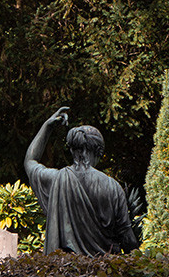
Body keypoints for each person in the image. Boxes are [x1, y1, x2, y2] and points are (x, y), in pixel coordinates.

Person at [24, 106, 138, 255]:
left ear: (72, 150)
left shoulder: (57, 179)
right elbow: (127, 238)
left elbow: (30, 161)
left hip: (64, 274)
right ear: (99, 152)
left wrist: (47, 126)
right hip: (104, 274)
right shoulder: (112, 187)